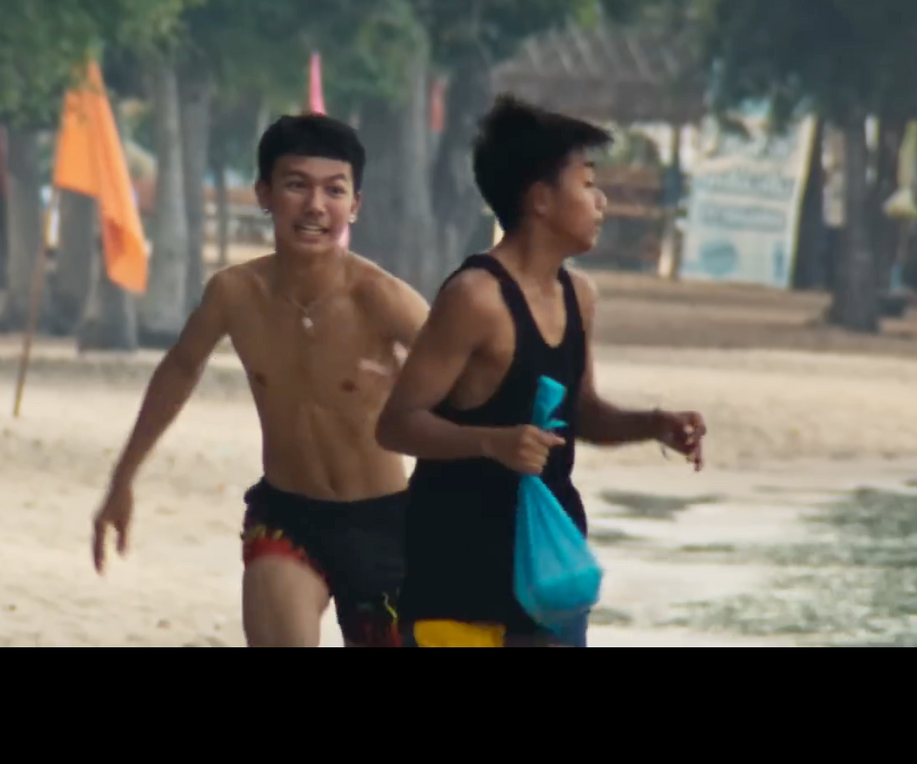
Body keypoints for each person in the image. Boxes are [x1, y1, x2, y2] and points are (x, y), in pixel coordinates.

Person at [375, 95, 706, 648]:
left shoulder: (580, 296)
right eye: (587, 183)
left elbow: (581, 413)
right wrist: (491, 443)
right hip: (455, 571)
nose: (601, 200)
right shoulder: (475, 297)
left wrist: (653, 424)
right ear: (540, 200)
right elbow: (397, 423)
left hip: (549, 570)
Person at [91, 113, 430, 648]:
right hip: (287, 517)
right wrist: (122, 478)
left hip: (387, 524)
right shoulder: (235, 294)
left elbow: (472, 379)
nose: (316, 206)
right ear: (264, 193)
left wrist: (413, 388)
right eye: (297, 185)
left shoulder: (381, 298)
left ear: (355, 205)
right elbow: (180, 369)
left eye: (334, 190)